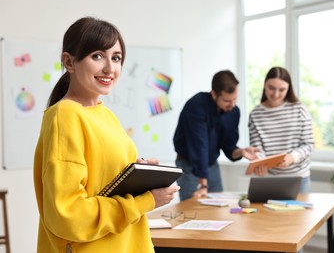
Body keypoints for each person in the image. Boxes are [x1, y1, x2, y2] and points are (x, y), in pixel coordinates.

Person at [33, 17, 179, 253]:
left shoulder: (106, 115)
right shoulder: (65, 115)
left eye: (116, 57)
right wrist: (146, 201)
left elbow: (102, 182)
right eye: (97, 56)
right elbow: (67, 215)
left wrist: (137, 173)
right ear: (69, 62)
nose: (110, 68)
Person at [173, 70, 258, 201]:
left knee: (218, 207)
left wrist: (240, 151)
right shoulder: (196, 106)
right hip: (188, 165)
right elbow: (199, 146)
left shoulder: (234, 112)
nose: (232, 105)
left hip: (212, 165)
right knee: (190, 208)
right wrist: (203, 184)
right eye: (227, 100)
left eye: (235, 99)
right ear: (214, 94)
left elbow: (229, 146)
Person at [248, 66, 314, 193]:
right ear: (264, 85)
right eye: (271, 88)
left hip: (299, 178)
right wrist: (260, 162)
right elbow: (257, 148)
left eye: (282, 90)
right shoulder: (255, 114)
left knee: (300, 213)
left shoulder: (300, 109)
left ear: (288, 89)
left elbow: (309, 145)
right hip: (271, 179)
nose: (276, 94)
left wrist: (291, 157)